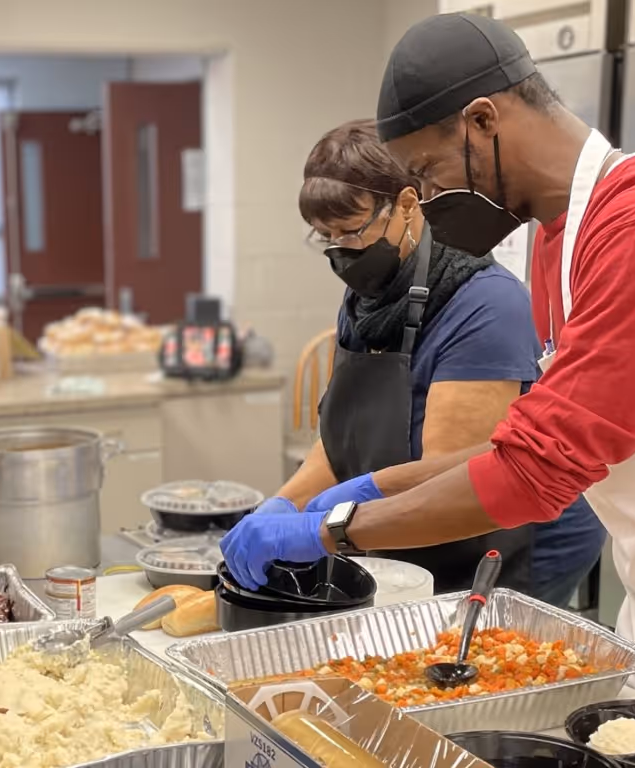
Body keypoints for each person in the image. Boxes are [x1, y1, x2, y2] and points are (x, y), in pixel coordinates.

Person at [222, 13, 635, 724]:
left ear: (482, 121)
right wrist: (362, 488)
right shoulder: (558, 238)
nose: (422, 199)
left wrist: (332, 529)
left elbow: (533, 476)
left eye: (425, 172)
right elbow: (515, 442)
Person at [258, 118, 604, 603]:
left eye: (350, 230)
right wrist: (280, 508)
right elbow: (340, 444)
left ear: (405, 204)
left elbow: (447, 476)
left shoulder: (485, 305)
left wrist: (331, 525)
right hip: (413, 521)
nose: (340, 251)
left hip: (511, 538)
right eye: (324, 236)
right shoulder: (369, 298)